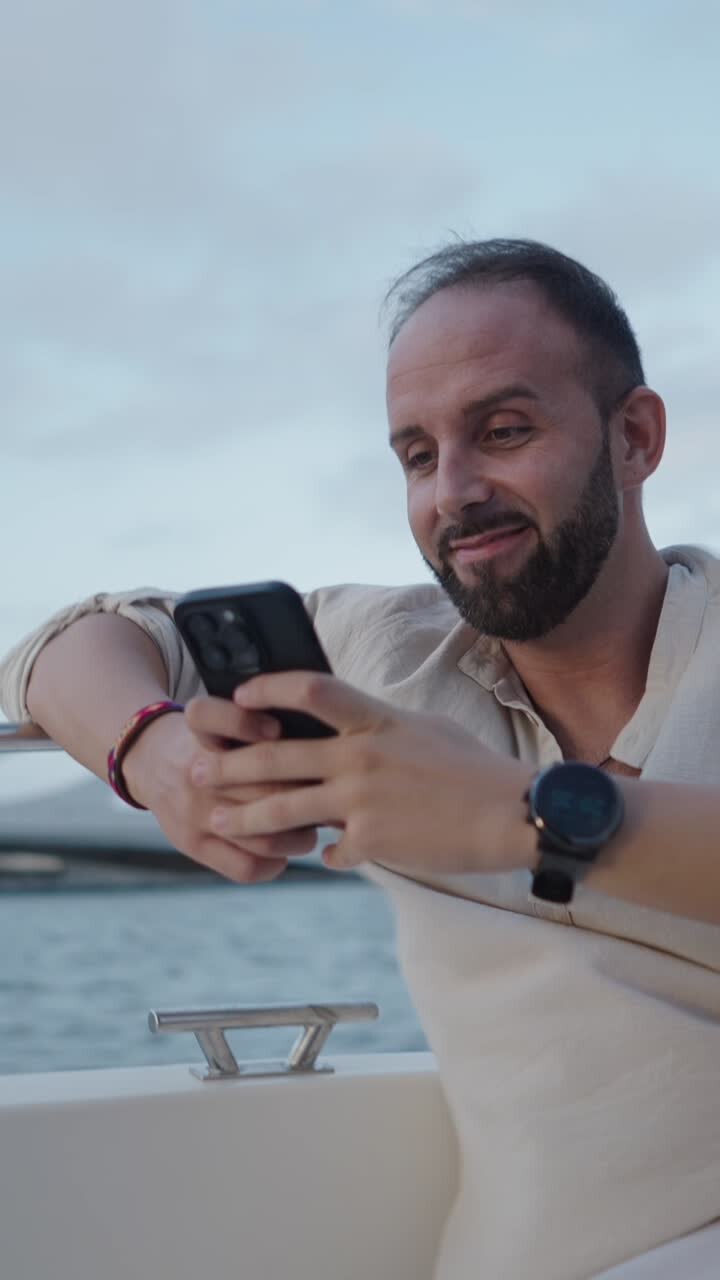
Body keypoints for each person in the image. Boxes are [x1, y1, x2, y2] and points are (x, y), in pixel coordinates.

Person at [2, 239, 719, 1280]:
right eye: (418, 456)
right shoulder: (380, 659)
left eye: (504, 431)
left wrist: (523, 814)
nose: (455, 493)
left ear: (636, 436)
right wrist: (158, 758)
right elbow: (69, 642)